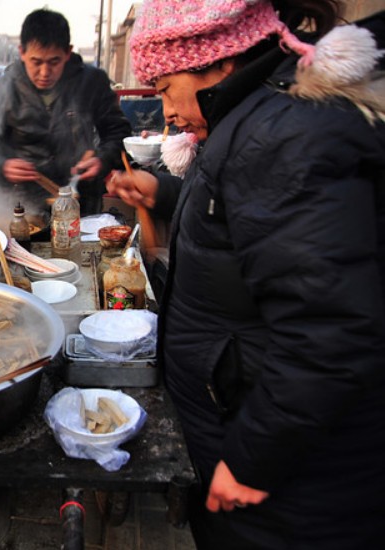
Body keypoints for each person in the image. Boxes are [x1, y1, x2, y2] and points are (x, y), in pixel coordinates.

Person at [106, 1, 385, 548]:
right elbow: (248, 224)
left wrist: (253, 460)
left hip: (295, 485)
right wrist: (166, 192)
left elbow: (330, 331)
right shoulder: (257, 118)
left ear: (216, 62)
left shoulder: (278, 137)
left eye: (164, 88)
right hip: (262, 441)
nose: (164, 111)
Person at [0, 8, 132, 218]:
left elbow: (118, 132)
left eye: (54, 62)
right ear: (22, 52)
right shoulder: (2, 90)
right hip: (22, 206)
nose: (45, 72)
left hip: (80, 201)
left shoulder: (92, 82)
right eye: (36, 62)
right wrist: (3, 164)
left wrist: (102, 159)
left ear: (68, 52)